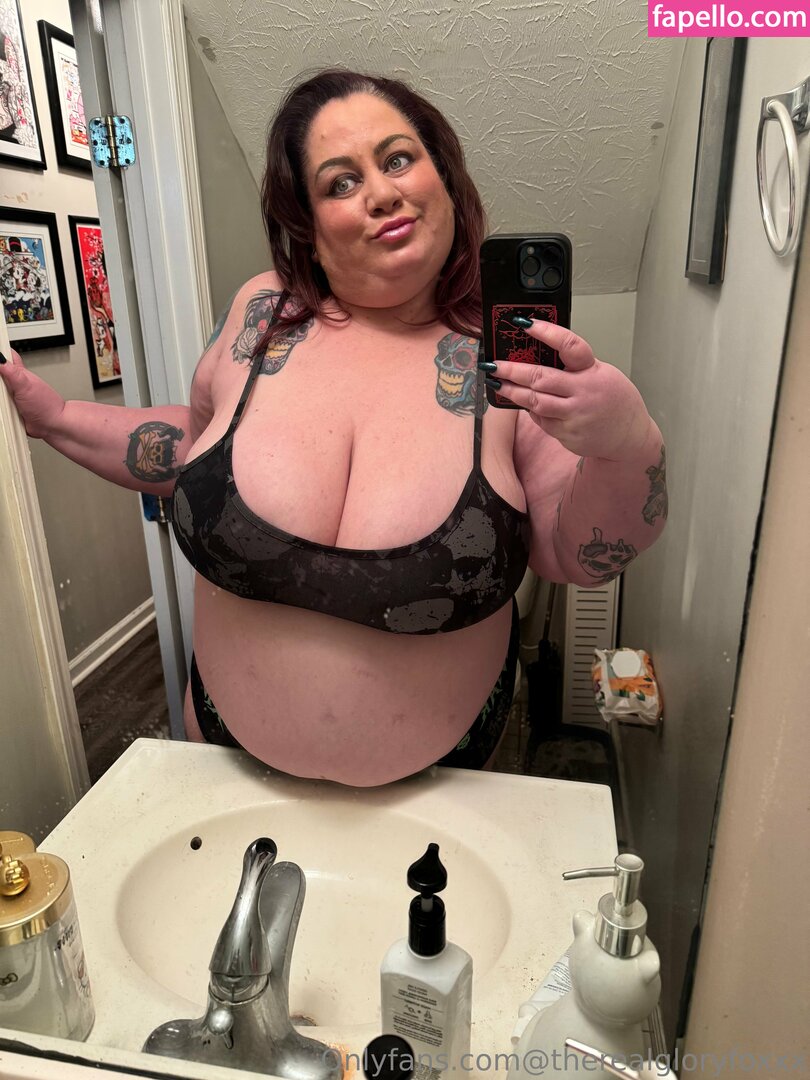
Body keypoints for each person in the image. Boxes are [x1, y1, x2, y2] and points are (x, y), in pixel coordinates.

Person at [0, 68, 667, 787]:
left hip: (439, 794)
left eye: (398, 159)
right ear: (309, 230)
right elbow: (198, 450)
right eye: (340, 182)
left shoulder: (510, 356)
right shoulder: (261, 313)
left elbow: (579, 554)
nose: (380, 193)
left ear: (446, 180)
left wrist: (626, 443)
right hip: (223, 762)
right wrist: (58, 419)